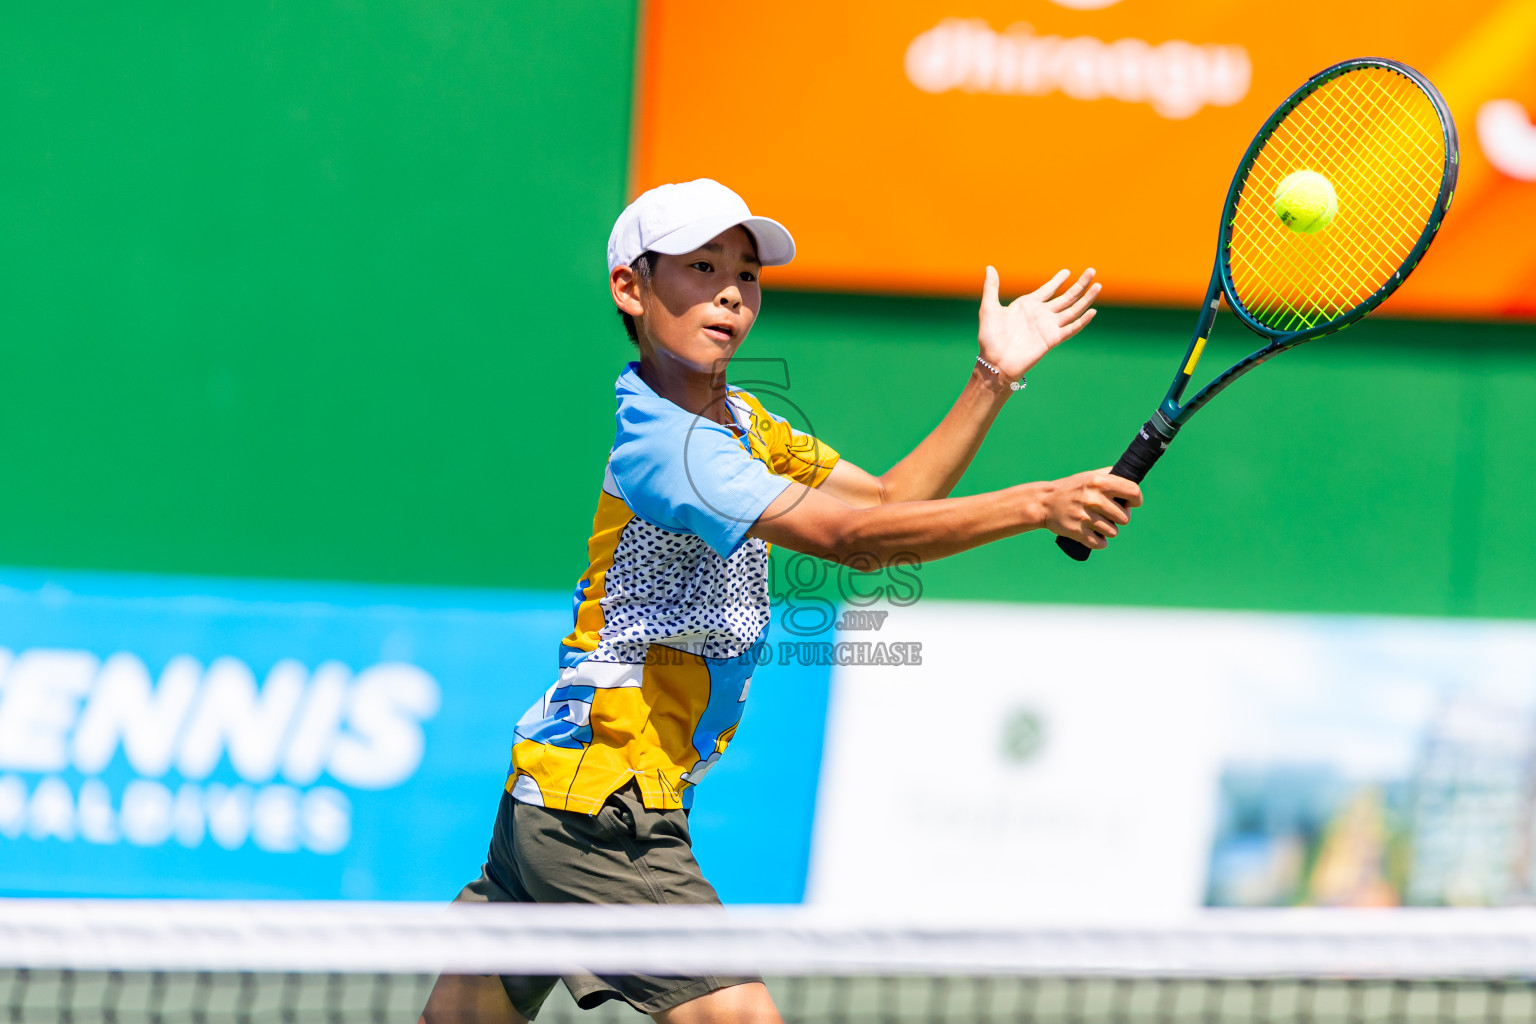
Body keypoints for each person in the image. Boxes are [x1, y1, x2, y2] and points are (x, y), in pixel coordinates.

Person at [419, 179, 1142, 1024]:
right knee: (742, 1019)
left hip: (557, 790)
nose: (730, 290)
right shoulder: (667, 447)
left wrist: (991, 377)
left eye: (747, 273)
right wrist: (1035, 504)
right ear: (630, 287)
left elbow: (883, 506)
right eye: (700, 266)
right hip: (601, 806)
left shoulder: (746, 425)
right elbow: (849, 544)